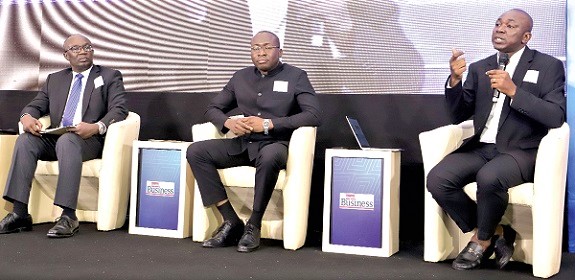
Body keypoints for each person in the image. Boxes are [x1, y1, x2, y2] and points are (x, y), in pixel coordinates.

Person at [426, 9, 566, 270]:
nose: (500, 29)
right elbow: (458, 115)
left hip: (521, 150)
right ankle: (495, 232)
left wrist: (514, 91)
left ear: (526, 37)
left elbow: (555, 116)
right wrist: (455, 81)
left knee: (489, 177)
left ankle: (480, 241)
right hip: (482, 147)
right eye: (498, 24)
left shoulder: (548, 66)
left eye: (509, 26)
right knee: (438, 180)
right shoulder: (482, 67)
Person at [187, 30, 321, 253]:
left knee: (269, 157)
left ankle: (254, 225)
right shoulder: (240, 77)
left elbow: (314, 115)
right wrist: (228, 122)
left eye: (267, 47)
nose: (261, 53)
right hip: (244, 143)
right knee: (196, 151)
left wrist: (269, 124)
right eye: (256, 48)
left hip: (275, 144)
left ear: (280, 51)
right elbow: (212, 108)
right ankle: (231, 221)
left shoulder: (296, 76)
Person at [0, 34, 128, 238]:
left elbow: (119, 109)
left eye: (87, 47)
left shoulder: (109, 76)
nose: (83, 51)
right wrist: (26, 117)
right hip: (59, 136)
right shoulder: (55, 79)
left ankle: (68, 216)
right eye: (76, 49)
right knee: (25, 140)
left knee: (68, 141)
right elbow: (36, 105)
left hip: (89, 140)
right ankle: (20, 213)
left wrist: (96, 127)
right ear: (66, 55)